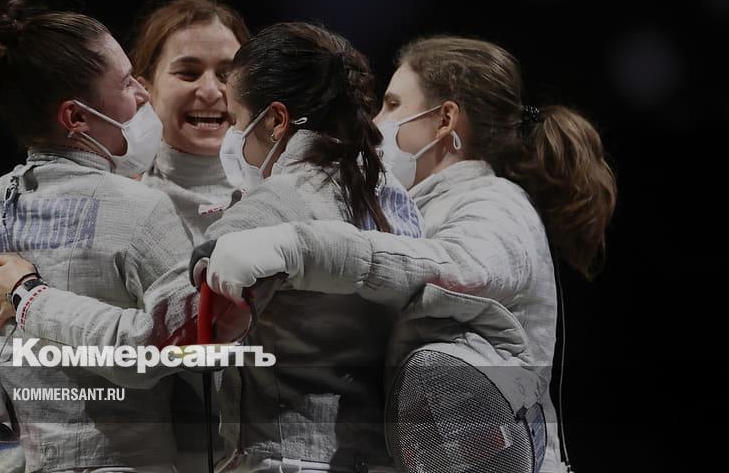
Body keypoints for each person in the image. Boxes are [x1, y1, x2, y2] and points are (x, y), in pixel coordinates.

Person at [0, 22, 424, 472]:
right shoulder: (388, 193)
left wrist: (29, 297)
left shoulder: (269, 208)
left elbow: (146, 347)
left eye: (237, 119)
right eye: (188, 72)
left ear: (275, 121)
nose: (228, 128)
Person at [198, 35, 618, 473]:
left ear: (444, 120)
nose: (376, 122)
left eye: (393, 105)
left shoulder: (496, 203)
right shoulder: (416, 210)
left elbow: (454, 269)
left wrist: (296, 247)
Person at [0, 0, 200, 472]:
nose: (142, 94)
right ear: (76, 118)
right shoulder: (139, 208)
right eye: (126, 83)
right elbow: (174, 348)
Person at [132, 0, 249, 243]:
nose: (210, 91)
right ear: (146, 90)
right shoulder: (119, 201)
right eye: (188, 73)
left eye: (226, 75)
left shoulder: (286, 195)